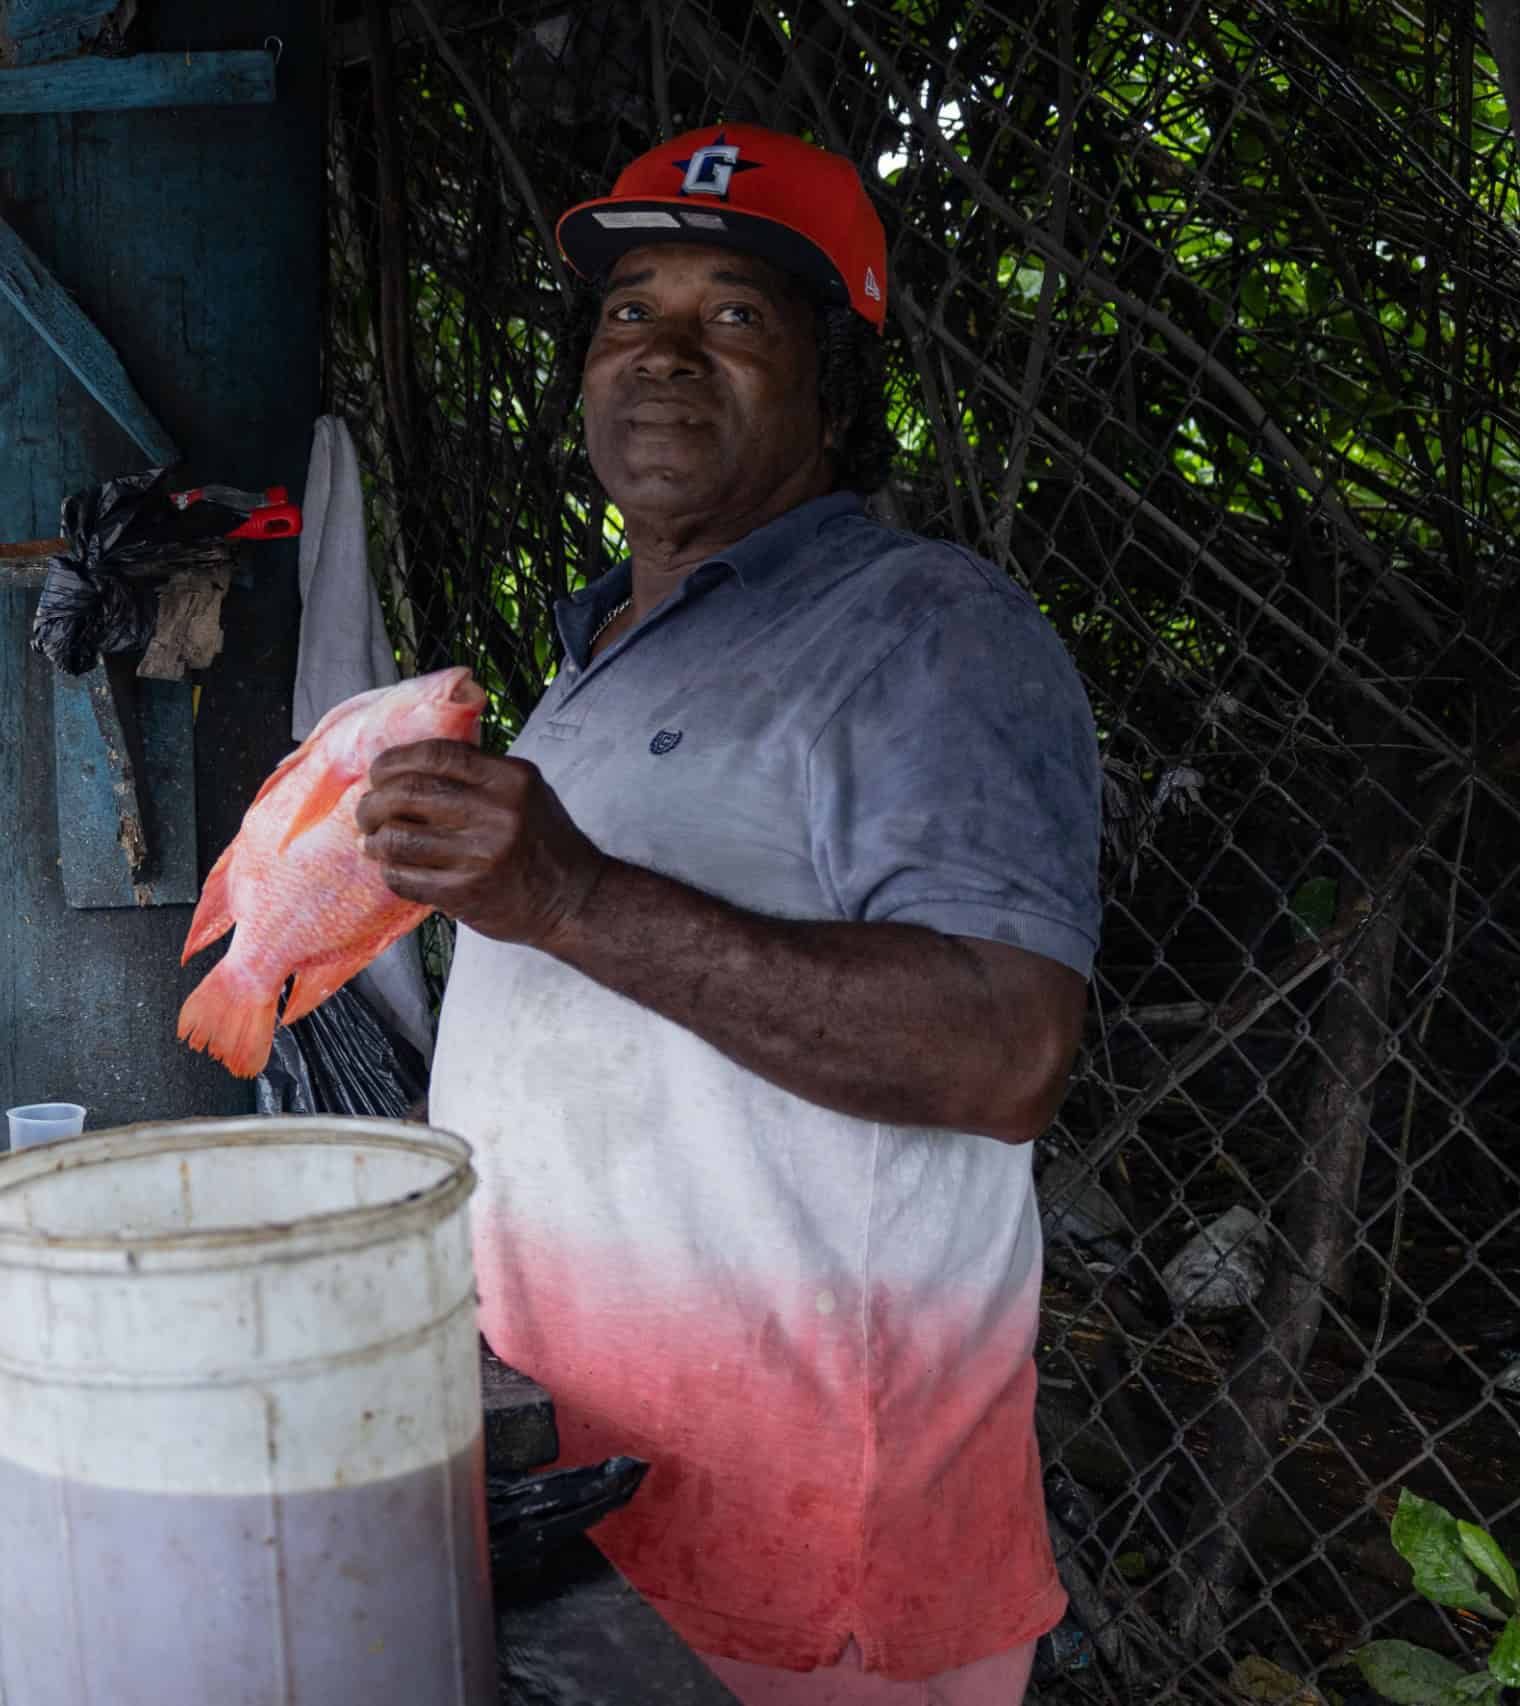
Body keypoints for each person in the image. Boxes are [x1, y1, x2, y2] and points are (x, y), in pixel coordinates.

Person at [355, 124, 1100, 1705]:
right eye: (631, 311)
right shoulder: (601, 664)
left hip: (821, 1577)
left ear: (838, 382)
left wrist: (570, 895)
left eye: (736, 317)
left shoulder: (927, 632)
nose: (665, 356)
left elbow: (1006, 1048)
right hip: (598, 1525)